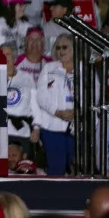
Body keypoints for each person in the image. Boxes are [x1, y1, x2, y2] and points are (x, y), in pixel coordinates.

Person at [34, 33, 77, 175]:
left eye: (65, 47)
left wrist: (78, 111)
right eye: (58, 48)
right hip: (51, 127)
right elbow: (40, 96)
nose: (61, 51)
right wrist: (57, 112)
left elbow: (94, 94)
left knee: (76, 170)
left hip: (77, 128)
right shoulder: (49, 68)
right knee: (56, 171)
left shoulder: (85, 69)